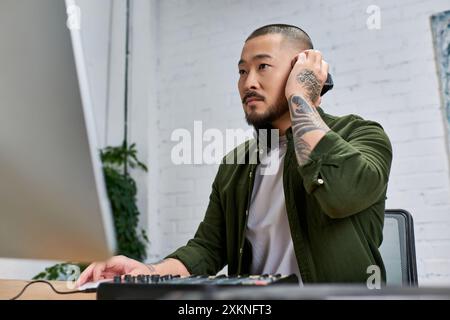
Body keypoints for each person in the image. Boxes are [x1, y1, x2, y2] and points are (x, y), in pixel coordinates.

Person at [77, 24, 392, 286]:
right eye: (242, 71)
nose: (248, 82)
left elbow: (341, 194)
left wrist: (301, 97)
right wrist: (147, 273)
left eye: (262, 67)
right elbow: (208, 248)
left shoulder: (363, 134)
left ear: (301, 70)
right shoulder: (236, 164)